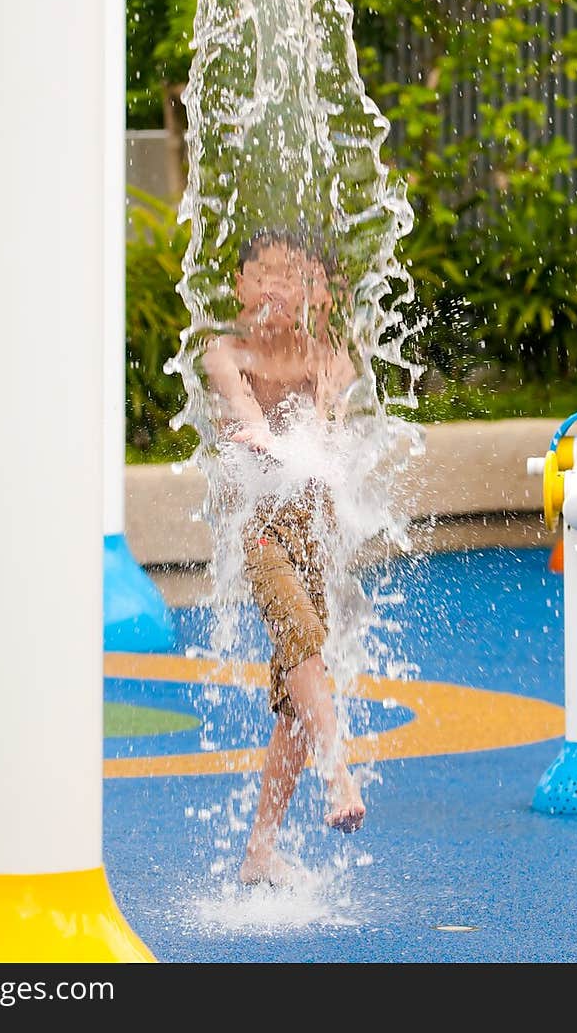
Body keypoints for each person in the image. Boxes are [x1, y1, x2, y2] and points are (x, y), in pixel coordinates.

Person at [203, 228, 367, 888]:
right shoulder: (227, 353)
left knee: (296, 699)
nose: (274, 286)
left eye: (291, 276)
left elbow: (326, 455)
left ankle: (258, 852)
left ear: (316, 294)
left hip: (313, 533)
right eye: (261, 273)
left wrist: (325, 402)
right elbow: (245, 409)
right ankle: (339, 776)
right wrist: (257, 429)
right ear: (240, 288)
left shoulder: (334, 364)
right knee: (303, 643)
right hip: (260, 527)